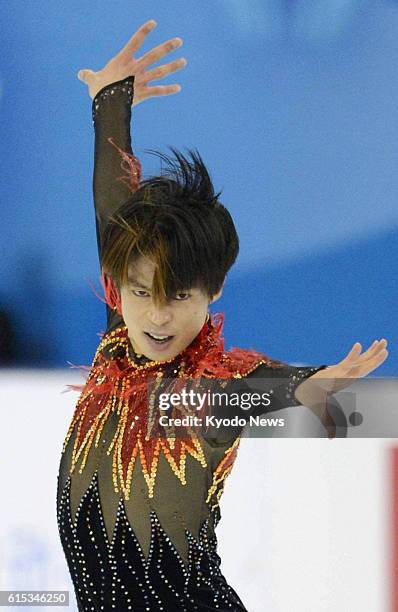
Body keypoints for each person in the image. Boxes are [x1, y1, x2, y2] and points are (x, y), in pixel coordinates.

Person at [56, 20, 388, 612]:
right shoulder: (119, 339)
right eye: (139, 292)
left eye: (180, 296)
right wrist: (110, 99)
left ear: (213, 292)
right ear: (117, 287)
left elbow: (257, 388)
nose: (156, 315)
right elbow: (115, 213)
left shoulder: (193, 394)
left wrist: (316, 388)